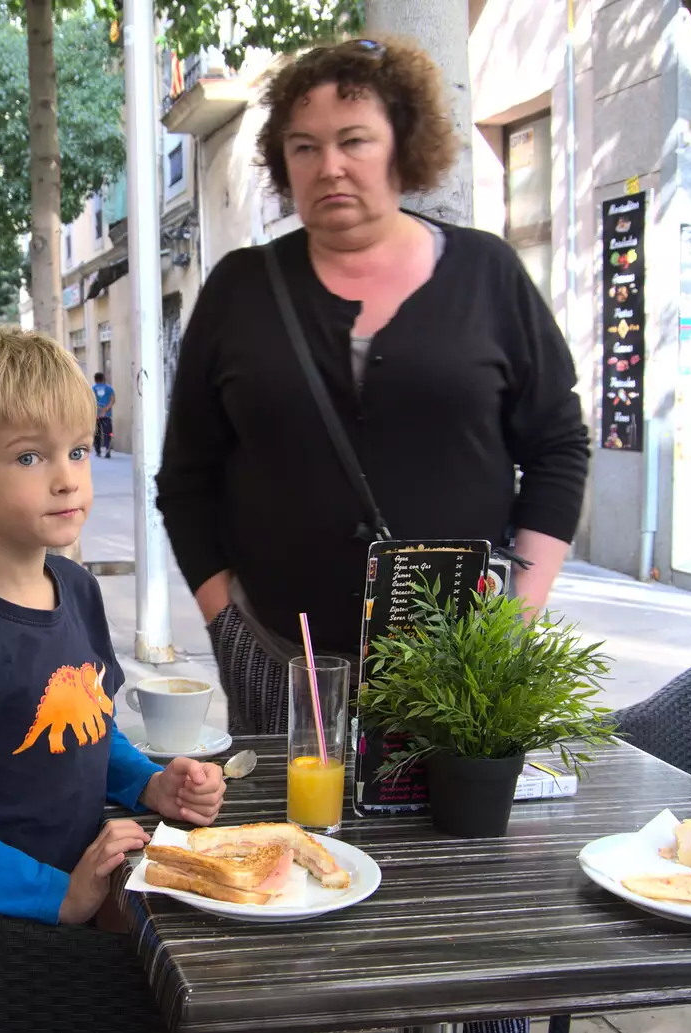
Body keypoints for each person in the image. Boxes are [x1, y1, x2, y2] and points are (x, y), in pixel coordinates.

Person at [157, 37, 589, 738]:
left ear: (403, 145)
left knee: (451, 848)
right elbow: (185, 477)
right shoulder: (238, 289)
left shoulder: (489, 274)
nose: (329, 166)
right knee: (294, 845)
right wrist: (226, 622)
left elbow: (559, 449)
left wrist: (513, 621)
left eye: (354, 140)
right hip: (277, 660)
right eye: (304, 147)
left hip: (458, 666)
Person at [0, 327, 226, 928]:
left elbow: (92, 728)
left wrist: (149, 786)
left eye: (79, 451)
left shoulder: (78, 589)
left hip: (90, 886)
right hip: (1, 932)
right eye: (30, 457)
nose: (67, 478)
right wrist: (59, 895)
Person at [91, 372, 115, 458]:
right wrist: (106, 409)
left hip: (95, 415)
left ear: (95, 379)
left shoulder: (91, 389)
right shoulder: (109, 389)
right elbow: (112, 400)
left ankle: (98, 451)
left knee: (96, 433)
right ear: (103, 379)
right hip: (107, 414)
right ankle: (107, 448)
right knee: (108, 432)